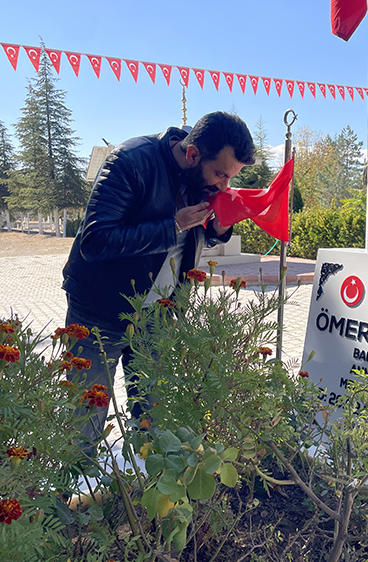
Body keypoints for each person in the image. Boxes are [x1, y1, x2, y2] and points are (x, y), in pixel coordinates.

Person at [62, 112, 255, 454]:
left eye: (232, 177)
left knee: (154, 419)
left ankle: (146, 484)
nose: (225, 186)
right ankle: (75, 485)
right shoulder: (130, 161)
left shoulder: (201, 175)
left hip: (159, 317)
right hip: (99, 312)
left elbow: (196, 235)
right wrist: (172, 226)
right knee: (84, 421)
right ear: (192, 154)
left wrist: (219, 227)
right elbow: (95, 241)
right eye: (221, 174)